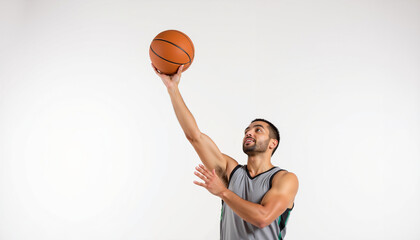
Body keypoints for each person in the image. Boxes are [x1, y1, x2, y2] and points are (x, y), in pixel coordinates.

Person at [152, 64, 299, 240]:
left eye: (258, 130)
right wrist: (172, 88)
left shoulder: (285, 179)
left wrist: (223, 192)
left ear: (272, 143)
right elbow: (195, 137)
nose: (249, 133)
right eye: (247, 130)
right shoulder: (231, 170)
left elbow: (263, 218)